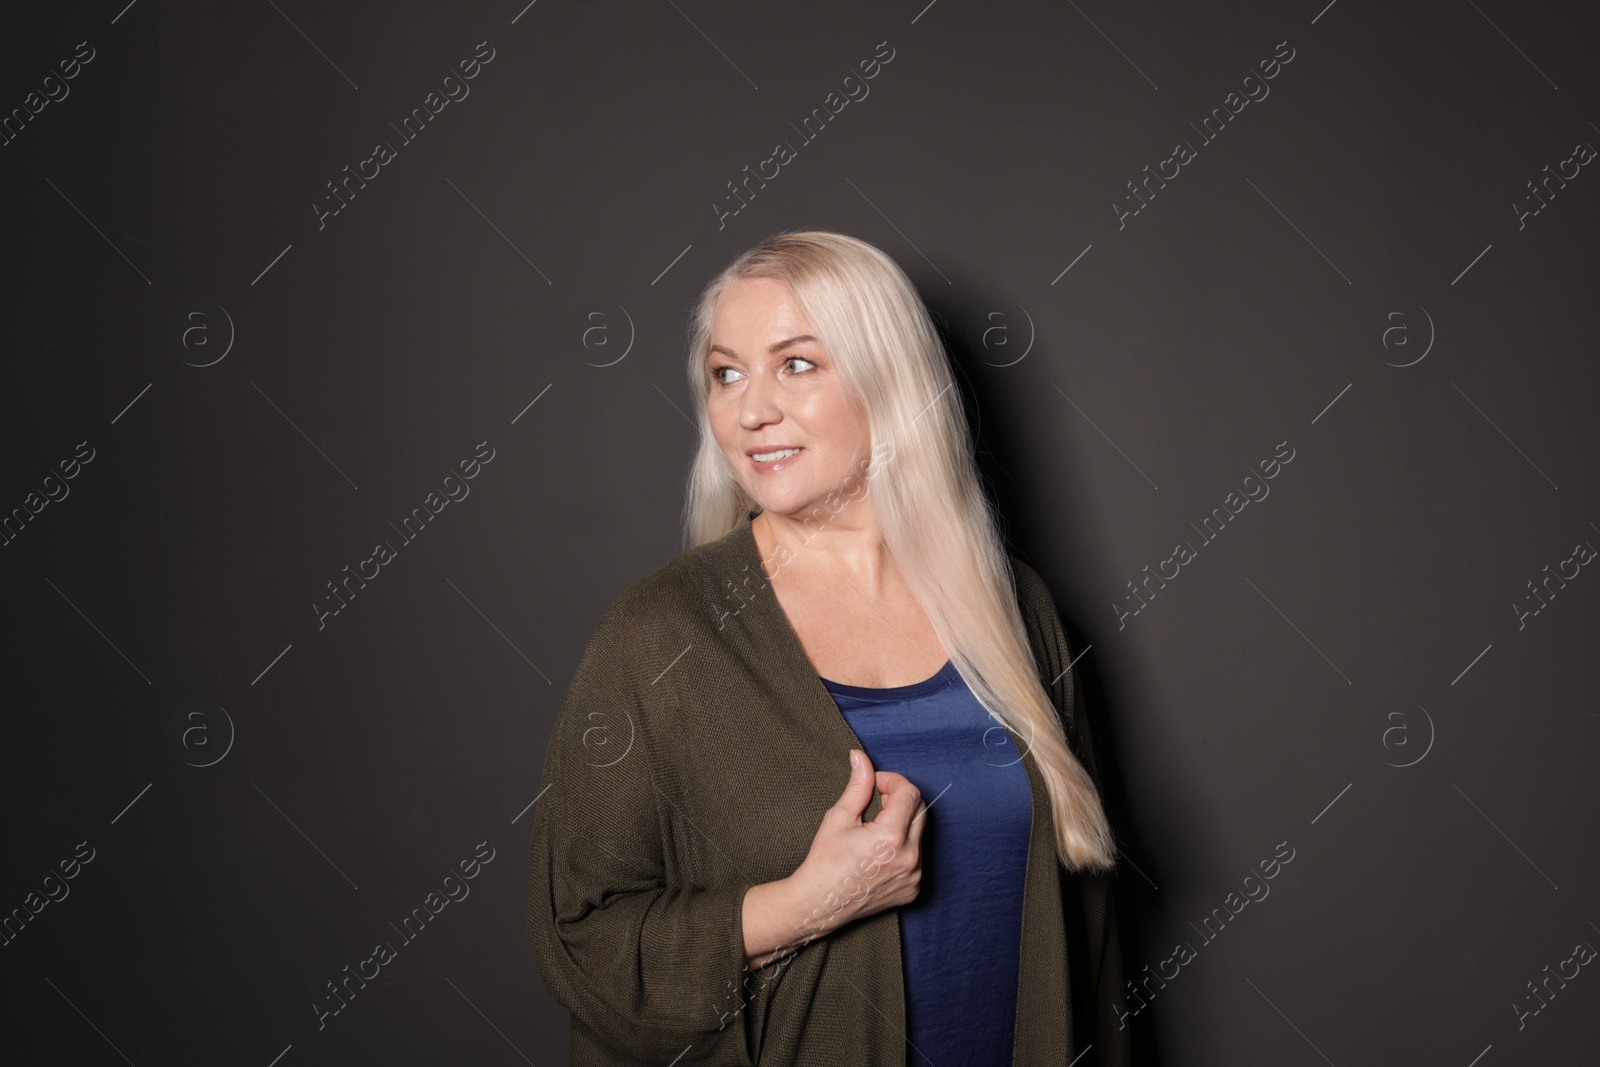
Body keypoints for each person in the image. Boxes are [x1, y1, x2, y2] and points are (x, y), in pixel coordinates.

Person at [528, 230, 1128, 1066]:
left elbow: (1090, 940)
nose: (750, 409)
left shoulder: (1013, 605)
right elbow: (580, 939)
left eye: (797, 363)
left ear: (889, 380)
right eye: (725, 373)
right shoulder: (662, 633)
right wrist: (805, 904)